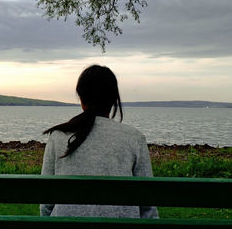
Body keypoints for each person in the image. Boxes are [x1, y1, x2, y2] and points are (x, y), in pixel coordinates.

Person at [40, 64, 159, 218]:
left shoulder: (58, 136)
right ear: (113, 101)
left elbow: (46, 200)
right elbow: (147, 203)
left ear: (82, 99)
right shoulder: (135, 138)